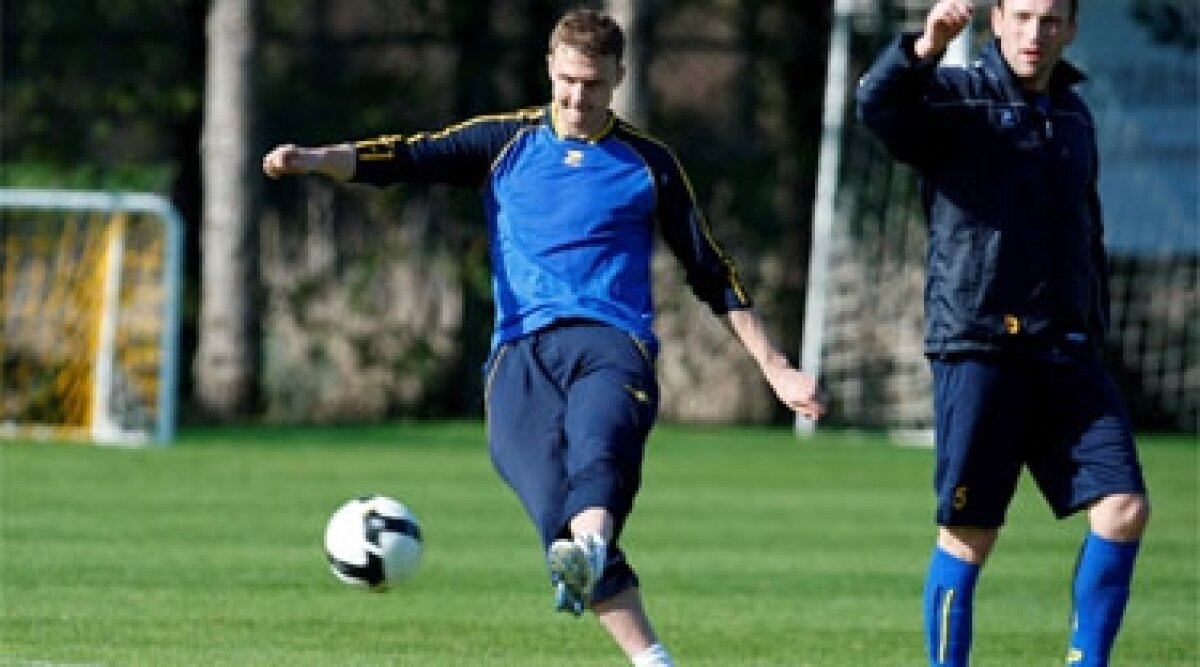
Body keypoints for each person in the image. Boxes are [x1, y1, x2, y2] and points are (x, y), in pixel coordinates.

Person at [264, 7, 824, 666]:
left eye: (593, 84)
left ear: (619, 77)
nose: (578, 97)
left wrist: (775, 365)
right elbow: (406, 156)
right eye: (567, 81)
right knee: (555, 512)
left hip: (612, 343)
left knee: (599, 449)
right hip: (519, 355)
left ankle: (591, 550)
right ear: (549, 69)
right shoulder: (504, 142)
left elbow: (711, 270)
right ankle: (644, 644)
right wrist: (315, 160)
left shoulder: (649, 164)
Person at [856, 1, 1150, 665]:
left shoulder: (1074, 114)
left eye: (1049, 20)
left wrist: (1090, 319)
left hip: (1067, 352)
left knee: (1125, 507)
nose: (1034, 33)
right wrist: (926, 46)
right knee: (970, 534)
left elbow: (1085, 230)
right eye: (1021, 17)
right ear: (996, 21)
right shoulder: (953, 99)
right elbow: (877, 105)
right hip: (981, 346)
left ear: (1071, 28)